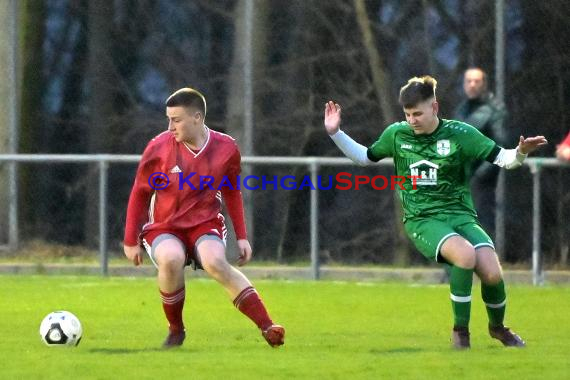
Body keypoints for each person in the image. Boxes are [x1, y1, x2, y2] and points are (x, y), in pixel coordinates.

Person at [324, 75, 547, 349]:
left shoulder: (461, 133)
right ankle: (460, 333)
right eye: (407, 114)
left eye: (417, 113)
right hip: (422, 219)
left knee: (491, 272)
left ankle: (498, 328)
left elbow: (505, 159)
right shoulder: (397, 134)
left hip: (460, 214)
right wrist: (336, 132)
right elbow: (364, 157)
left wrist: (521, 152)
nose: (412, 120)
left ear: (435, 107)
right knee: (465, 256)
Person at [123, 87, 285, 348]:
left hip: (204, 224)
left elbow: (232, 191)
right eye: (168, 119)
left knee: (216, 262)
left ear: (197, 118)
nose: (170, 126)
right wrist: (130, 240)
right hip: (165, 226)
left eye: (176, 120)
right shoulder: (158, 148)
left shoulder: (226, 148)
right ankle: (176, 331)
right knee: (171, 258)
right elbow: (140, 192)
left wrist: (242, 237)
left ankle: (268, 326)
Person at [454, 68, 507, 237]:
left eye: (477, 81)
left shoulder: (495, 109)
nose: (472, 85)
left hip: (481, 178)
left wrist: (481, 173)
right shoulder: (462, 109)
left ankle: (483, 262)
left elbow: (501, 143)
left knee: (480, 222)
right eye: (468, 81)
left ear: (484, 84)